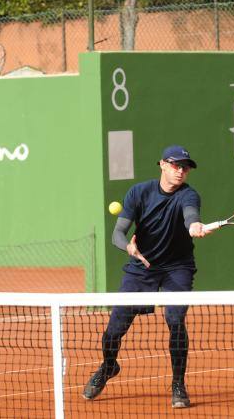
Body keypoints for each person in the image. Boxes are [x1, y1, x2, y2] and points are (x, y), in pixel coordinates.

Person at [82, 145, 208, 408]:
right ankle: (108, 367)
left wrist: (194, 225)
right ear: (162, 164)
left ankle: (178, 385)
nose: (181, 171)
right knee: (114, 330)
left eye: (185, 167)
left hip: (177, 267)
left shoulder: (189, 195)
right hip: (141, 267)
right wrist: (128, 247)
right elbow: (117, 234)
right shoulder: (139, 193)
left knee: (175, 319)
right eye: (176, 165)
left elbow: (190, 215)